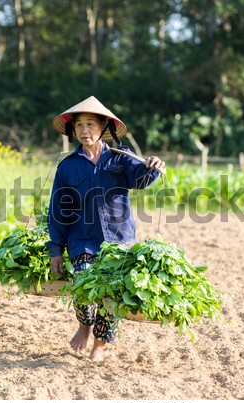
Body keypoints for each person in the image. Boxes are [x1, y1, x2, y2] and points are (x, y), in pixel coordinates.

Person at [46, 96, 165, 362]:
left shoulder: (120, 160)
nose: (84, 130)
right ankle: (85, 324)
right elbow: (58, 210)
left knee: (111, 295)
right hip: (82, 239)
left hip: (118, 241)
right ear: (72, 130)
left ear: (103, 128)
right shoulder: (68, 166)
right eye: (79, 126)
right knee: (82, 283)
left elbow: (142, 178)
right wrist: (56, 250)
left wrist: (153, 166)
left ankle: (100, 345)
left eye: (90, 124)